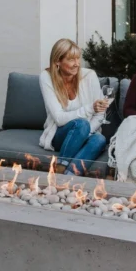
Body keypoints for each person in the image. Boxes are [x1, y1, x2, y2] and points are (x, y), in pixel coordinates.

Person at [39, 39, 110, 175]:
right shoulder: (47, 77)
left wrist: (85, 134)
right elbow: (59, 119)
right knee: (81, 123)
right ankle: (59, 168)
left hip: (86, 133)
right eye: (71, 59)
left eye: (78, 59)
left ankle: (68, 176)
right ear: (57, 61)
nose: (76, 64)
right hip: (59, 134)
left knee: (99, 139)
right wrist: (90, 108)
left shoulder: (89, 76)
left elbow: (100, 115)